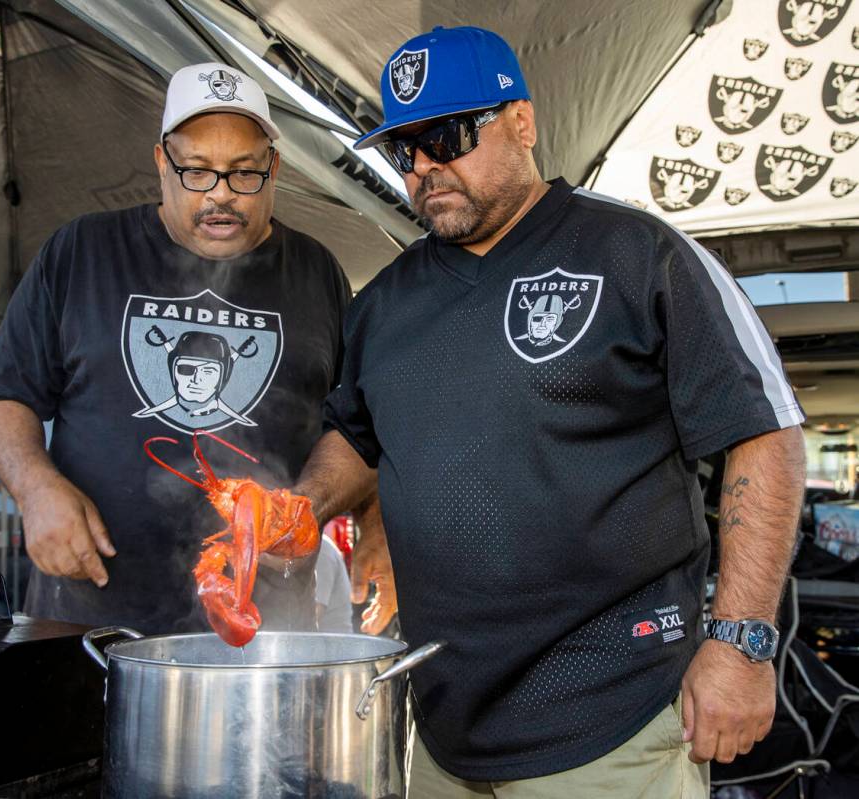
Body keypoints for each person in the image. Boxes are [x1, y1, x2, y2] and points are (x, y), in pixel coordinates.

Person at [294, 26, 807, 798]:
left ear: (523, 123)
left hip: (611, 716)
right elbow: (356, 437)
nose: (425, 166)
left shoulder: (639, 254)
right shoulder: (384, 304)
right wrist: (297, 504)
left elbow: (764, 438)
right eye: (404, 149)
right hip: (438, 724)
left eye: (446, 135)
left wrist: (740, 644)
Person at [0, 63, 352, 634]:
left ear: (274, 167)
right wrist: (35, 488)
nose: (220, 195)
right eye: (197, 171)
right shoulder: (82, 252)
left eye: (244, 172)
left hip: (262, 626)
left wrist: (309, 504)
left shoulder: (317, 272)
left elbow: (355, 428)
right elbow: (4, 396)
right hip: (89, 613)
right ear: (161, 163)